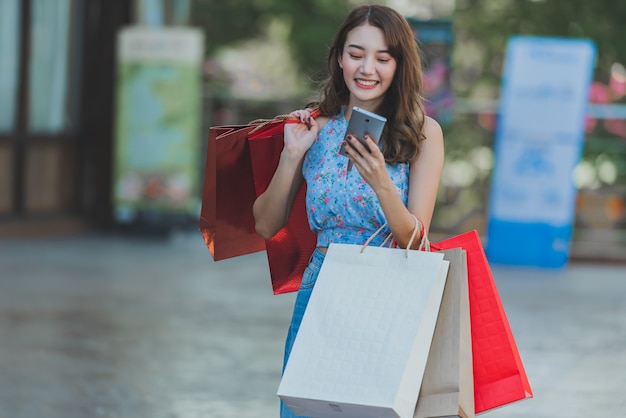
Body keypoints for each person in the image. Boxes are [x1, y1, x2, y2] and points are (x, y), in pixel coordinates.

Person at [252, 4, 444, 417]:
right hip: (321, 284)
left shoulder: (423, 132)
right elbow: (266, 225)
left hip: (388, 290)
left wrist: (380, 181)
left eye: (382, 57)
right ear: (339, 57)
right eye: (356, 54)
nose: (367, 68)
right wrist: (291, 156)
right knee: (306, 408)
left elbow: (415, 238)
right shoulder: (314, 128)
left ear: (399, 65)